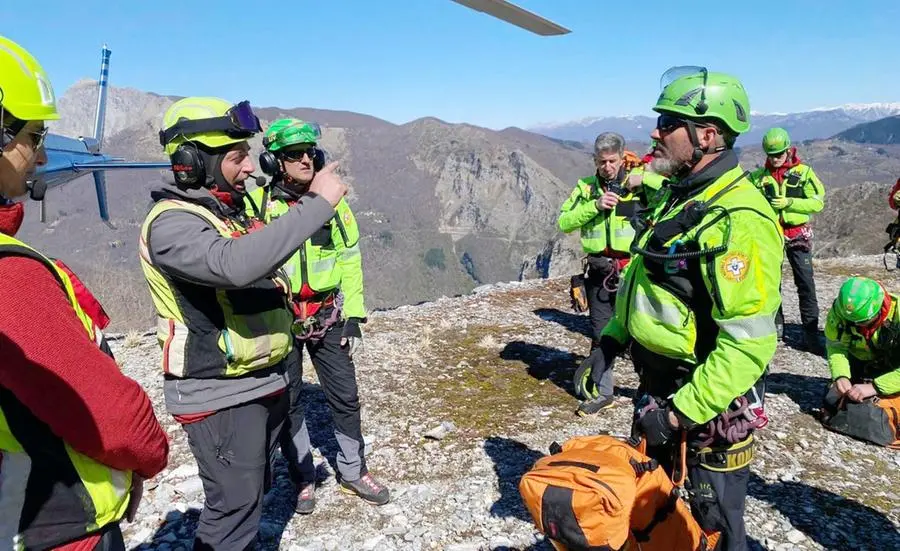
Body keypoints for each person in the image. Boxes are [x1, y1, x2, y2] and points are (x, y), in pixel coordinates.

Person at [140, 97, 347, 549]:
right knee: (231, 512)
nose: (250, 168)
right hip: (221, 393)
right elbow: (234, 265)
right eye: (237, 157)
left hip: (256, 380)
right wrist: (316, 205)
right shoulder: (172, 224)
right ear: (192, 163)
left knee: (253, 496)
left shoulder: (226, 211)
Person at [596, 68, 782, 550]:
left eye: (667, 122)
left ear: (706, 134)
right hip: (662, 389)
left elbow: (749, 344)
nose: (655, 132)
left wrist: (680, 414)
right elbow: (648, 275)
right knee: (660, 515)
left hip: (704, 409)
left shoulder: (739, 219)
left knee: (713, 528)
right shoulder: (683, 195)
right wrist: (615, 335)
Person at [0, 34, 169, 550]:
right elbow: (113, 417)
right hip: (57, 529)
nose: (42, 154)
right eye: (32, 136)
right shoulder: (11, 278)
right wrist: (146, 456)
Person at [246, 118, 390, 512]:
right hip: (280, 318)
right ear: (274, 162)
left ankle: (353, 471)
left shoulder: (332, 203)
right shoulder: (258, 204)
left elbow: (350, 257)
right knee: (289, 401)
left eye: (310, 152)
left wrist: (355, 317)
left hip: (326, 315)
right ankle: (303, 477)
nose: (306, 159)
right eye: (294, 154)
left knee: (345, 395)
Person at [558, 132, 662, 416]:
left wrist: (646, 179)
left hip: (633, 271)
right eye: (602, 161)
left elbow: (670, 192)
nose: (607, 167)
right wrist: (595, 205)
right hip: (599, 271)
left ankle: (650, 391)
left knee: (643, 333)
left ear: (622, 157)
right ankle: (604, 393)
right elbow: (565, 222)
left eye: (612, 161)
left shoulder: (637, 184)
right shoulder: (586, 188)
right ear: (595, 160)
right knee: (601, 334)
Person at [751, 127, 826, 352]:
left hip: (797, 234)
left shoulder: (804, 173)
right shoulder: (758, 178)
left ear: (788, 150)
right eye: (770, 155)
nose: (774, 159)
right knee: (772, 283)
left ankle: (811, 333)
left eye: (779, 154)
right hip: (771, 236)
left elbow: (817, 201)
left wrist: (791, 204)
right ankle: (776, 327)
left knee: (805, 283)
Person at [821, 277, 900, 448]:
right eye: (852, 323)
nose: (856, 326)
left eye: (862, 322)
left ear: (879, 311)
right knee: (838, 398)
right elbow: (836, 347)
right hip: (865, 361)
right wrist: (841, 376)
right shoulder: (840, 313)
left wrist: (876, 387)